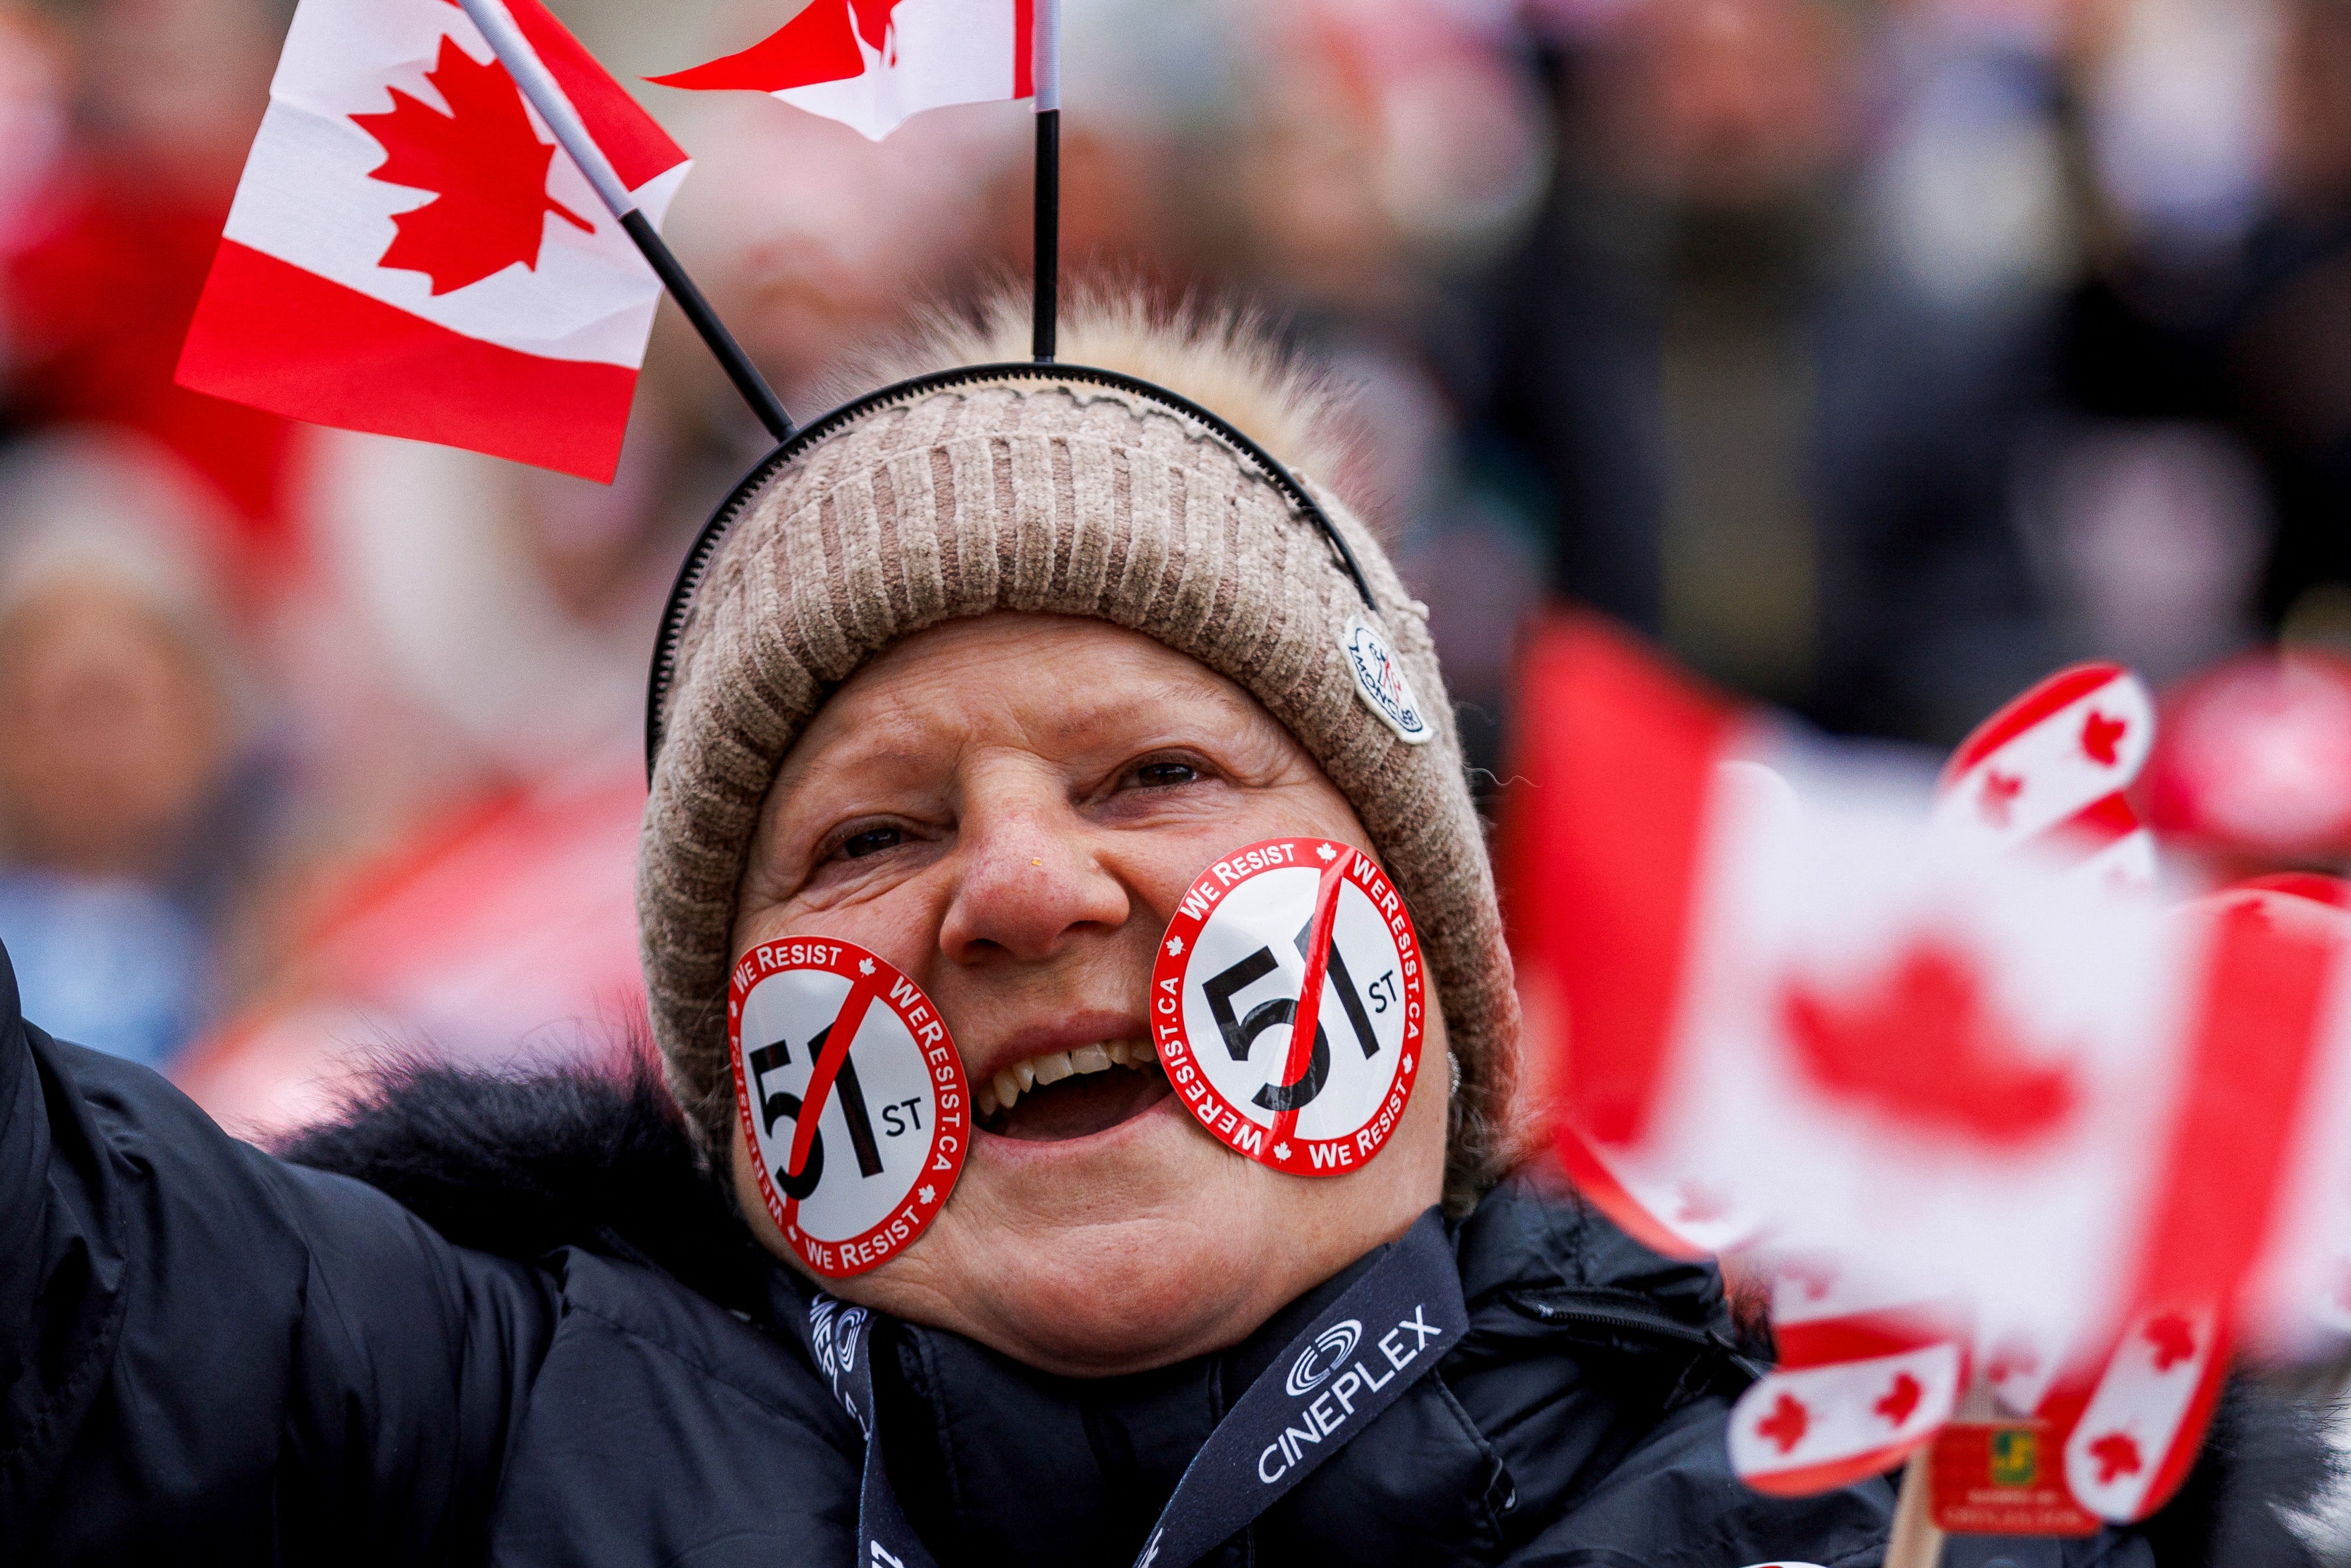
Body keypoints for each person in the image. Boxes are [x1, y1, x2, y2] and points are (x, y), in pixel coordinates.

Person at [0, 296, 2310, 1564]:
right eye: (865, 837)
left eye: (1155, 778)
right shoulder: (450, 1424)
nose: (1019, 889)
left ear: (1429, 940)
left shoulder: (1916, 1468)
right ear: (734, 1057)